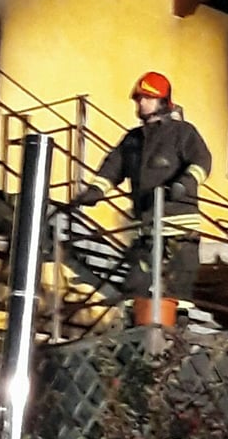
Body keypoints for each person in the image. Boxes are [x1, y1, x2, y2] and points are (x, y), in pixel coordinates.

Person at [73, 71, 211, 307]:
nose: (141, 103)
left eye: (147, 98)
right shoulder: (133, 140)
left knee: (178, 293)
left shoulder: (182, 132)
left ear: (162, 102)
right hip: (147, 229)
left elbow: (202, 161)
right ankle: (134, 322)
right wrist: (96, 191)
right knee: (134, 288)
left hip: (179, 227)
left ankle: (178, 327)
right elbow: (112, 168)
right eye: (139, 98)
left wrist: (184, 184)